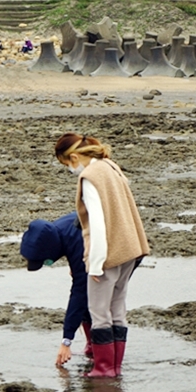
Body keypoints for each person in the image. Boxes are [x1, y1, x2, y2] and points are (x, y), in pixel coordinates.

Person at [54, 133, 150, 378]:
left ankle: (104, 369)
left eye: (67, 164)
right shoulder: (111, 166)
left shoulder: (89, 177)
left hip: (108, 252)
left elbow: (97, 224)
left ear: (74, 157)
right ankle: (115, 368)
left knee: (99, 312)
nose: (70, 170)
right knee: (117, 308)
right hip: (131, 248)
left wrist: (94, 264)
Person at [20, 212, 93, 367]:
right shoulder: (55, 231)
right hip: (91, 248)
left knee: (97, 302)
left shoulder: (77, 242)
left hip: (125, 251)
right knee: (87, 296)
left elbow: (80, 294)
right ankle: (91, 347)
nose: (48, 263)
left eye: (46, 262)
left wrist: (66, 341)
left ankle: (104, 363)